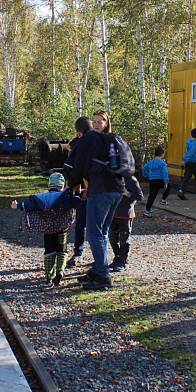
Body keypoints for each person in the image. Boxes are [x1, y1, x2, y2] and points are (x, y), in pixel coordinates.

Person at [65, 113, 125, 291]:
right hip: (116, 190)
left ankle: (103, 276)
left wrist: (73, 185)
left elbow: (78, 166)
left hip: (101, 191)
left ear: (79, 132)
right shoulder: (110, 139)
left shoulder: (87, 140)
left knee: (93, 233)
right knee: (103, 232)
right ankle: (99, 269)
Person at [12, 172, 82, 288]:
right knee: (62, 250)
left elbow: (27, 205)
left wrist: (17, 205)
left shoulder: (41, 198)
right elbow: (77, 203)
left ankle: (49, 277)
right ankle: (60, 270)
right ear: (62, 186)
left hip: (47, 229)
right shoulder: (66, 196)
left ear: (49, 185)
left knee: (49, 251)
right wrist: (78, 192)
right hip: (62, 228)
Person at [65, 117, 91, 268]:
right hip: (95, 188)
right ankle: (99, 256)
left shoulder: (75, 144)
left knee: (81, 223)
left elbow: (69, 167)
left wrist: (72, 184)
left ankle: (79, 252)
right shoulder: (99, 141)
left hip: (82, 189)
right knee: (97, 225)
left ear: (79, 132)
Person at [109, 175, 144, 272]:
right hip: (112, 213)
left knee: (124, 239)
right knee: (112, 238)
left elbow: (140, 196)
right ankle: (117, 258)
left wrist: (127, 193)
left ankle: (124, 262)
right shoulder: (113, 178)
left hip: (125, 214)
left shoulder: (131, 179)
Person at [142, 146, 170, 216]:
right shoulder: (162, 163)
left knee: (152, 196)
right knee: (169, 186)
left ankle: (147, 210)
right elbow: (165, 173)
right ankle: (163, 200)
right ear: (162, 154)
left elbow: (143, 169)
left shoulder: (150, 162)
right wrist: (166, 182)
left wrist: (147, 175)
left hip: (152, 181)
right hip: (160, 181)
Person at [178, 128, 196, 199]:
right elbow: (191, 153)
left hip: (188, 163)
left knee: (186, 178)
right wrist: (184, 160)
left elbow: (192, 153)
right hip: (194, 164)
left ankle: (181, 191)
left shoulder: (188, 141)